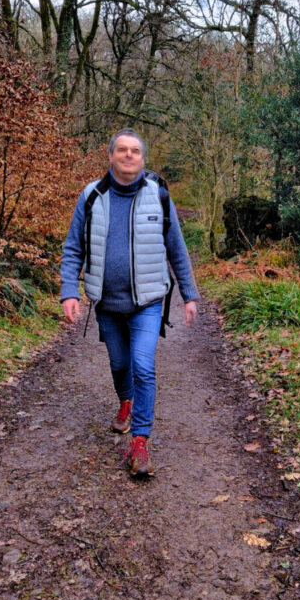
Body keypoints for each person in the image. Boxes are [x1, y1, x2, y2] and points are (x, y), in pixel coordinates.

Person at [60, 128, 199, 477]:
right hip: (106, 303)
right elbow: (73, 247)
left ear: (142, 158)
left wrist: (189, 295)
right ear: (110, 156)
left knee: (143, 365)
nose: (128, 156)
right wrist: (69, 291)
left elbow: (177, 250)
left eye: (134, 151)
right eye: (121, 150)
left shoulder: (159, 197)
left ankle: (140, 441)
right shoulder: (91, 197)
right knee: (120, 364)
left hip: (149, 302)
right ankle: (126, 401)